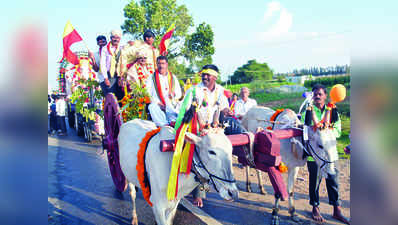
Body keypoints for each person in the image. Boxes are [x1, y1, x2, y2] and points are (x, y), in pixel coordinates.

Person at [180, 64, 232, 207]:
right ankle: (198, 193)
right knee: (199, 157)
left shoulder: (220, 91)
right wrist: (199, 124)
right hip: (195, 128)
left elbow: (222, 107)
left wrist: (225, 112)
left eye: (208, 75)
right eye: (204, 74)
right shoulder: (194, 90)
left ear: (215, 77)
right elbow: (185, 110)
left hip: (213, 129)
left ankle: (222, 180)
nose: (205, 77)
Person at [301, 84, 349, 224]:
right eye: (315, 94)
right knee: (315, 181)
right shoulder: (307, 111)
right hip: (314, 154)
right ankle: (315, 207)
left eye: (320, 94)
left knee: (333, 180)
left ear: (325, 96)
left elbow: (338, 131)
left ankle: (337, 210)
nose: (317, 96)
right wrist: (319, 132)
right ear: (312, 96)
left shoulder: (333, 110)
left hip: (330, 153)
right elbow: (307, 131)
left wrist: (325, 133)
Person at [146, 56, 181, 126]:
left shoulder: (173, 77)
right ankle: (164, 125)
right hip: (158, 104)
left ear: (167, 64)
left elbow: (179, 93)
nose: (161, 66)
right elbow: (148, 93)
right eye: (159, 63)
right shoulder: (151, 77)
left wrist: (173, 94)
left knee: (182, 104)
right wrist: (158, 103)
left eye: (163, 63)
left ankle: (174, 121)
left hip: (171, 104)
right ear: (156, 64)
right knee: (152, 107)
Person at [99, 29, 124, 98]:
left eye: (117, 38)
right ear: (110, 38)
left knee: (121, 97)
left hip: (120, 76)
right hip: (110, 76)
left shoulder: (122, 48)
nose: (116, 39)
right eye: (114, 37)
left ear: (120, 39)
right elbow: (102, 64)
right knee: (111, 97)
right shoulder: (105, 49)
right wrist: (106, 78)